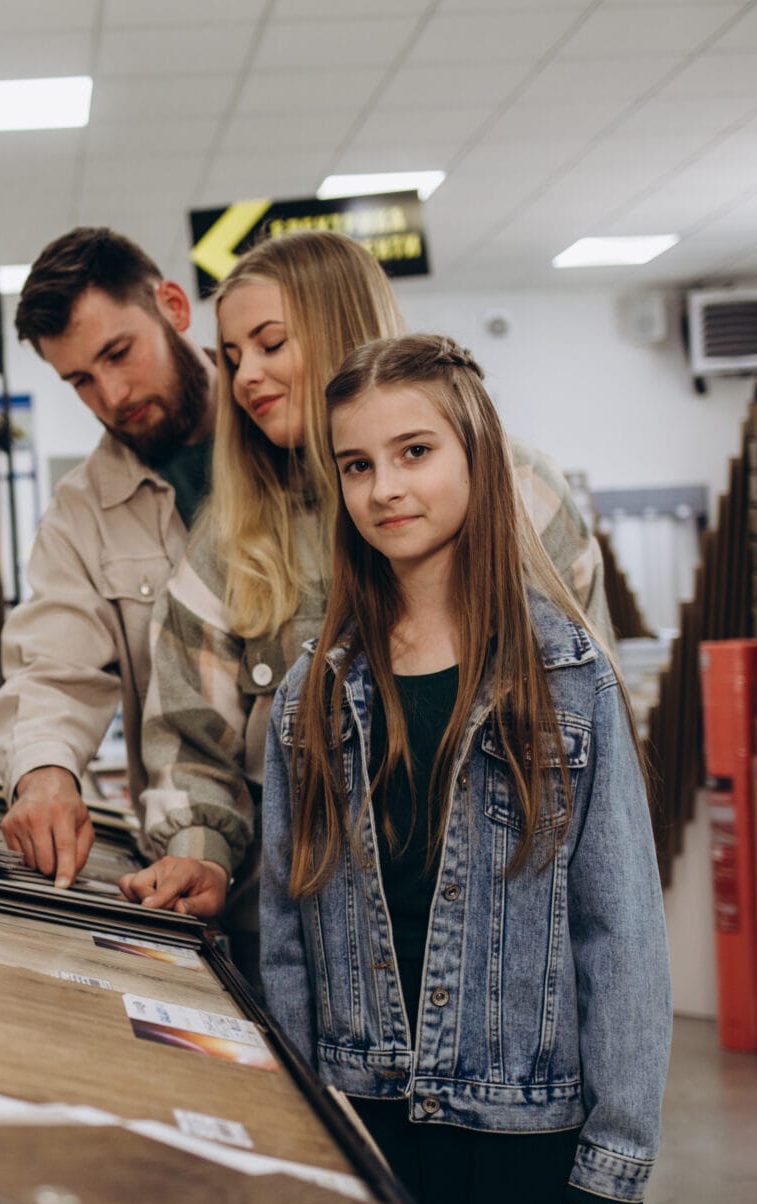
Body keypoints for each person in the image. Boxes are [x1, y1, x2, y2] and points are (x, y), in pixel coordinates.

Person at [261, 334, 670, 1204]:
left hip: (526, 1122)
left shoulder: (569, 680)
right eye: (356, 465)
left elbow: (624, 934)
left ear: (477, 456)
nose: (384, 489)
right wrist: (297, 1127)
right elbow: (287, 929)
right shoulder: (310, 696)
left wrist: (614, 1169)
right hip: (362, 1116)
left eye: (415, 452)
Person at [120, 231, 611, 946]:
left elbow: (596, 731)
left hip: (516, 951)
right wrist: (201, 855)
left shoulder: (523, 497)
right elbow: (190, 741)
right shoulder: (230, 548)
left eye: (270, 343)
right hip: (320, 962)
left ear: (341, 327)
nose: (246, 375)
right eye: (232, 357)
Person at [0, 228, 215, 887]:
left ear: (172, 306)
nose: (111, 396)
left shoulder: (292, 442)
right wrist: (45, 773)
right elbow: (55, 669)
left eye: (120, 353)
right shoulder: (81, 512)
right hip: (182, 871)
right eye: (80, 379)